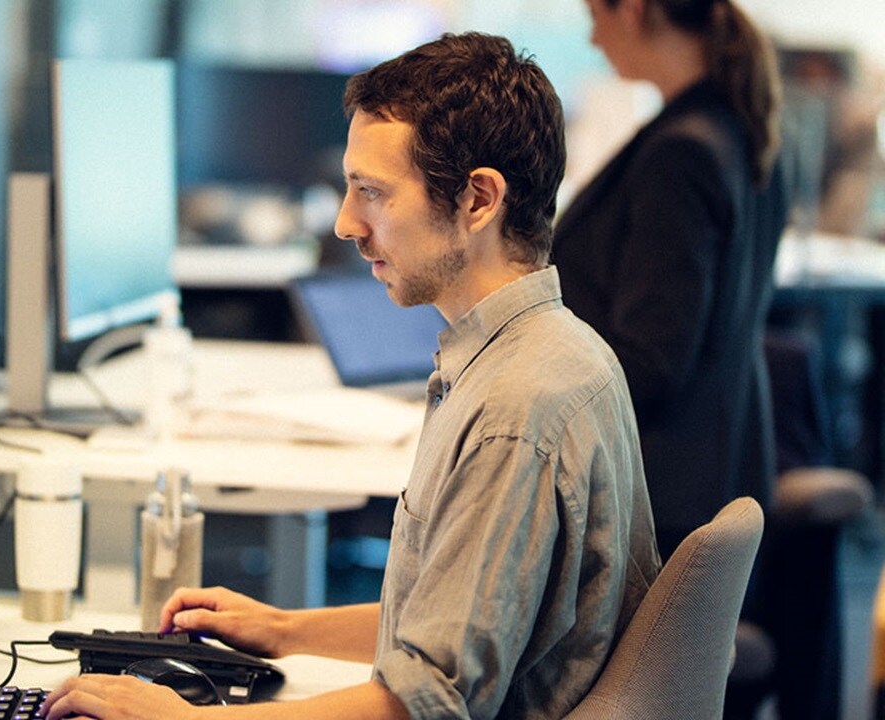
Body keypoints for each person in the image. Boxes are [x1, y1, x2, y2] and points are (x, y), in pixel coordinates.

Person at [41, 32, 660, 720]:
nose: (345, 223)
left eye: (372, 192)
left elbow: (428, 703)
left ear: (479, 200)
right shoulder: (558, 353)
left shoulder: (514, 412)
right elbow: (466, 622)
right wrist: (285, 629)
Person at [549, 0, 789, 715]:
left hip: (659, 495)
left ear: (634, 10)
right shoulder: (739, 128)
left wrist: (534, 400)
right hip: (715, 467)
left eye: (594, 11)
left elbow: (652, 358)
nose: (591, 33)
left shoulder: (681, 151)